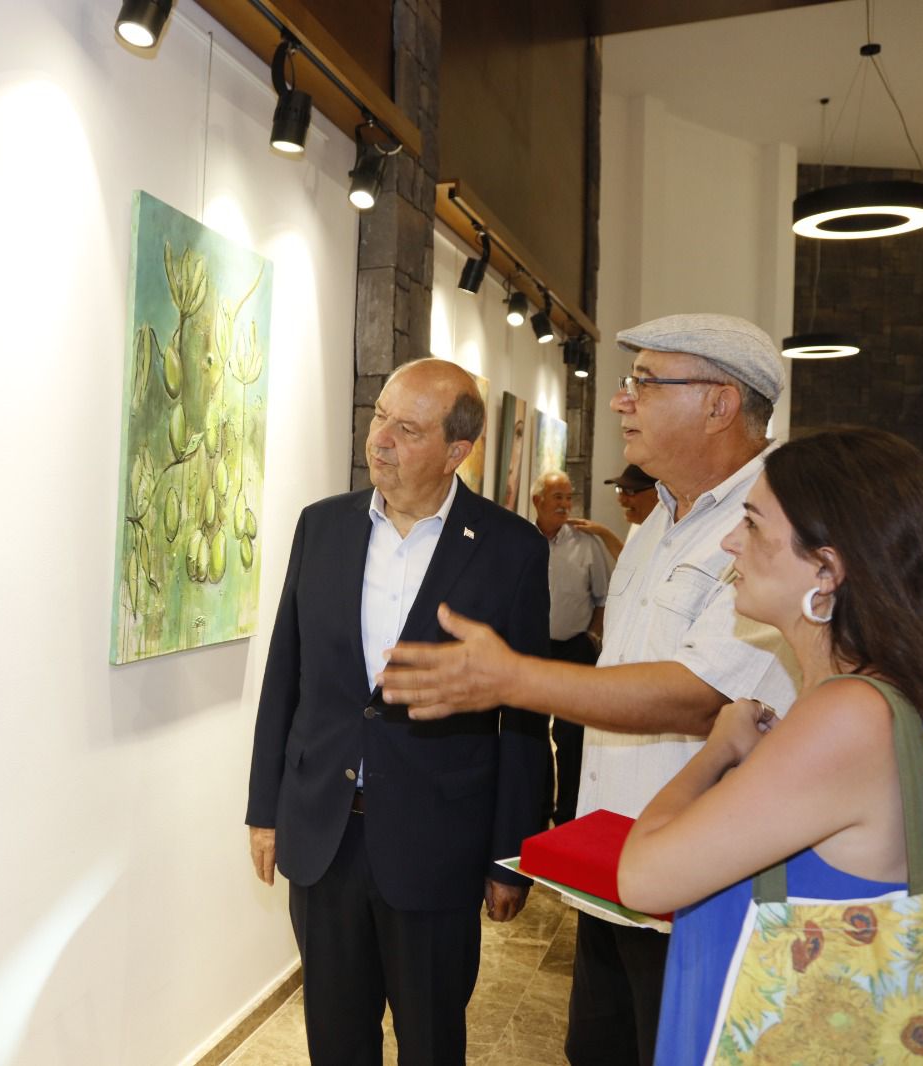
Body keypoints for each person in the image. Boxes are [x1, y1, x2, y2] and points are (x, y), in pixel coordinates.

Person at [377, 314, 801, 1066]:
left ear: (719, 403)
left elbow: (698, 694)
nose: (620, 400)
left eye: (646, 382)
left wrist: (514, 676)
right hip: (614, 875)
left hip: (703, 890)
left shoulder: (777, 524)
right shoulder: (658, 520)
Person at [617, 427, 923, 1063]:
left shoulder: (848, 715)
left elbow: (643, 878)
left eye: (753, 524)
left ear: (827, 570)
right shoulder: (883, 693)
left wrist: (720, 747)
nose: (730, 542)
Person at [245, 358, 551, 1065]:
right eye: (380, 416)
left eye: (407, 429)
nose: (379, 439)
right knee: (335, 1041)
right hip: (325, 837)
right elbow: (285, 675)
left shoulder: (510, 550)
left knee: (431, 1042)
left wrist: (511, 857)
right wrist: (265, 809)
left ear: (456, 450)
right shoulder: (323, 526)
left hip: (437, 844)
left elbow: (525, 717)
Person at [531, 471, 613, 825]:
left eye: (568, 497)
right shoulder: (522, 538)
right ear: (538, 501)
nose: (566, 504)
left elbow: (603, 597)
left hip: (575, 649)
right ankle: (538, 814)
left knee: (571, 736)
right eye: (558, 497)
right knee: (533, 734)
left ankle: (567, 817)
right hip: (533, 651)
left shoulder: (586, 543)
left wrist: (592, 636)